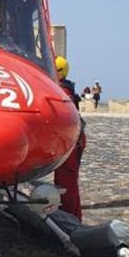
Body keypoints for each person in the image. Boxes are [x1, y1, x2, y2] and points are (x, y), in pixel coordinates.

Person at [53, 56, 86, 221]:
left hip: (71, 139)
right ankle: (68, 212)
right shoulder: (64, 89)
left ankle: (71, 216)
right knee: (64, 178)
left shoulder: (64, 92)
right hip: (70, 138)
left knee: (67, 180)